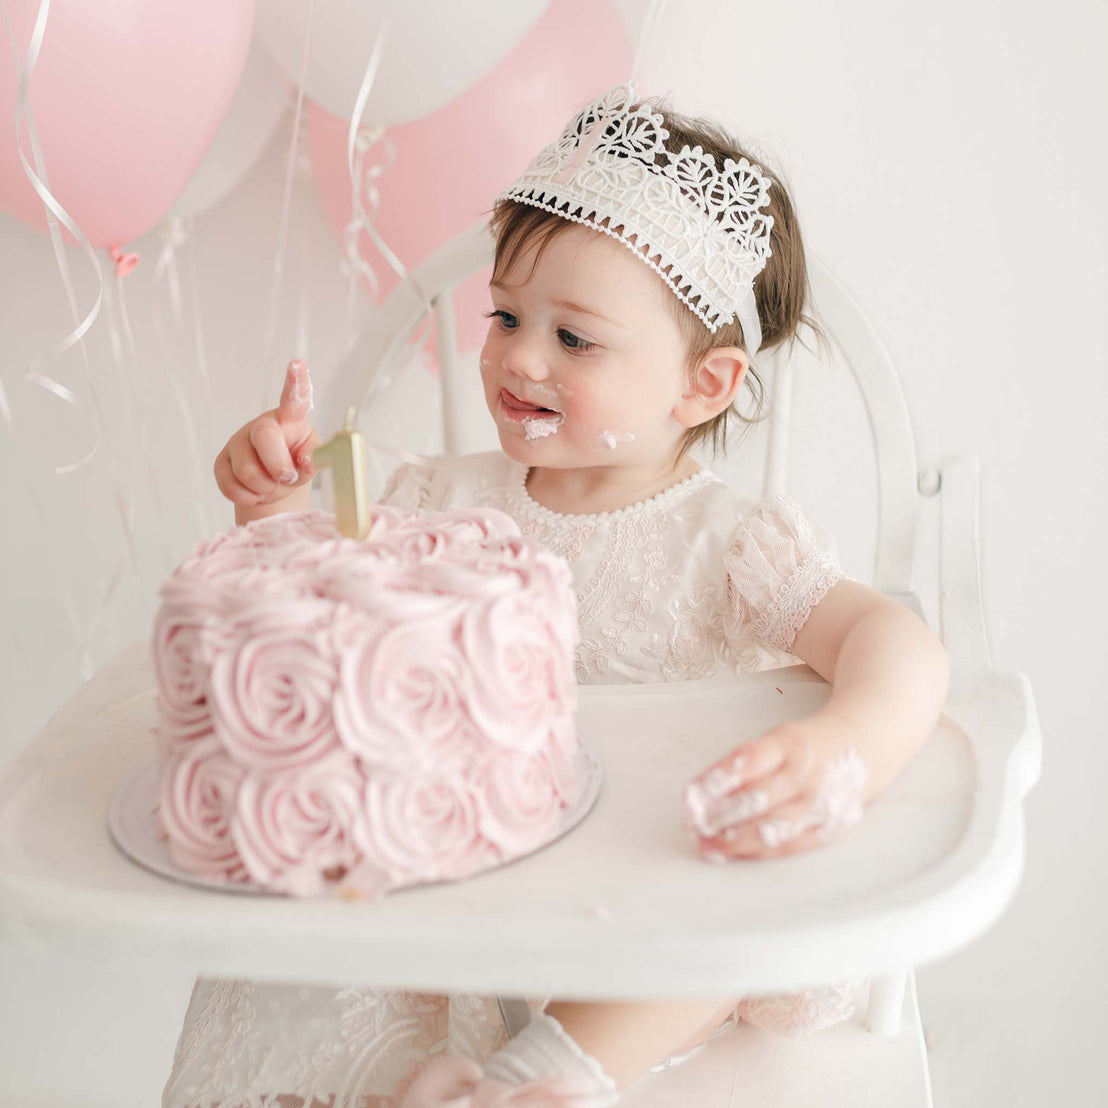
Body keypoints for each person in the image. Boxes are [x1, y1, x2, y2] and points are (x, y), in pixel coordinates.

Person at [168, 83, 949, 1107]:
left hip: (638, 904)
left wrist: (841, 741)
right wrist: (268, 506)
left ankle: (538, 1083)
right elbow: (318, 616)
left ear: (703, 385)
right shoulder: (433, 500)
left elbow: (897, 642)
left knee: (724, 920)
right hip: (464, 891)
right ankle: (391, 1082)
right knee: (323, 937)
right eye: (504, 314)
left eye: (573, 338)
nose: (515, 356)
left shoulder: (727, 546)